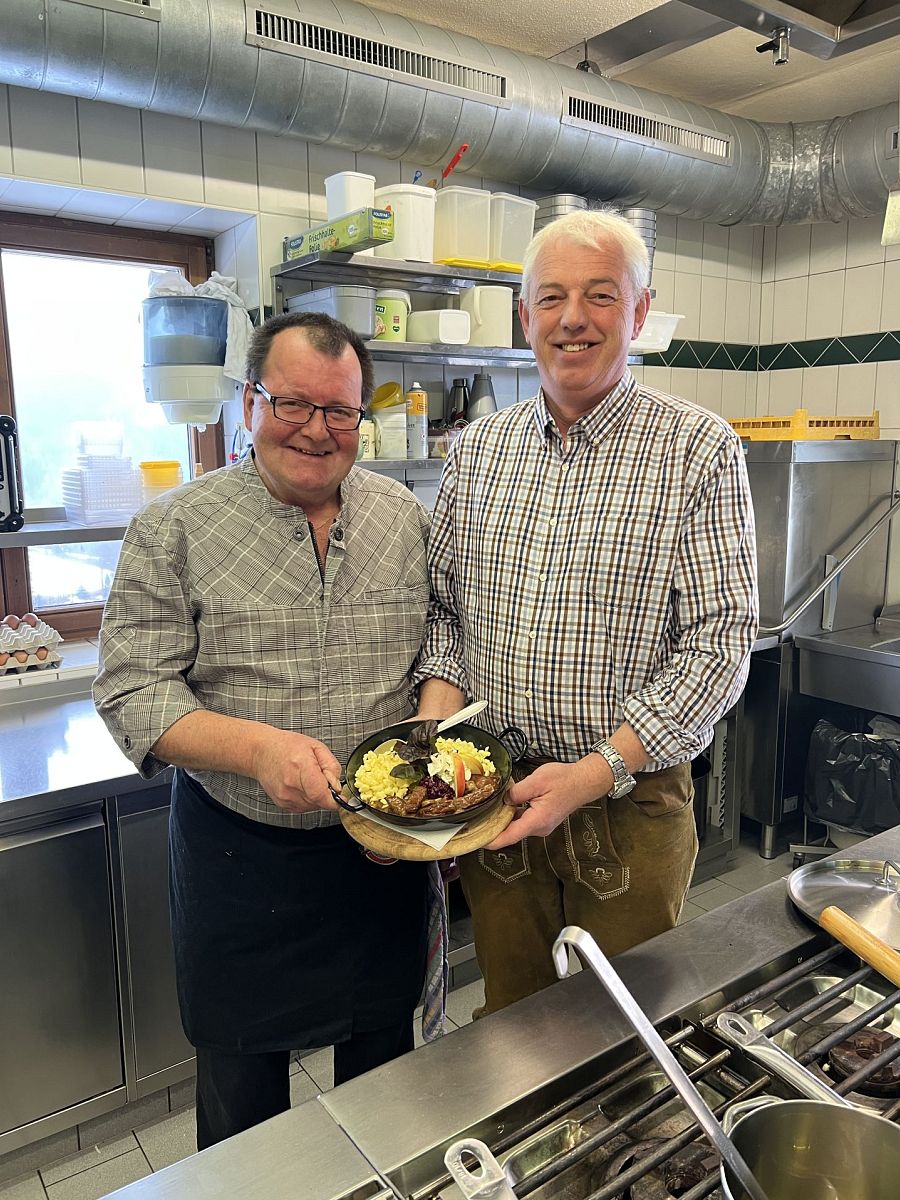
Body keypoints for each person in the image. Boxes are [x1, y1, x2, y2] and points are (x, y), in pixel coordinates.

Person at [94, 311, 432, 1148]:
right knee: (245, 1112)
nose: (317, 431)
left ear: (362, 418)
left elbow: (439, 648)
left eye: (341, 412)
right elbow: (131, 688)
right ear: (249, 403)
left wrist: (421, 805)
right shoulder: (173, 528)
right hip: (238, 860)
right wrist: (255, 749)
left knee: (386, 1080)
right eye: (292, 404)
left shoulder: (402, 517)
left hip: (377, 862)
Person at [414, 210, 758, 1016]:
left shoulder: (697, 448)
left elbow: (722, 642)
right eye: (553, 297)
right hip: (494, 793)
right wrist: (434, 737)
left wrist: (593, 773)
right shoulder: (476, 452)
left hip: (628, 804)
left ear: (637, 314)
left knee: (626, 1035)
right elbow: (444, 613)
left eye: (601, 295)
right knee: (514, 1024)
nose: (574, 318)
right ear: (525, 316)